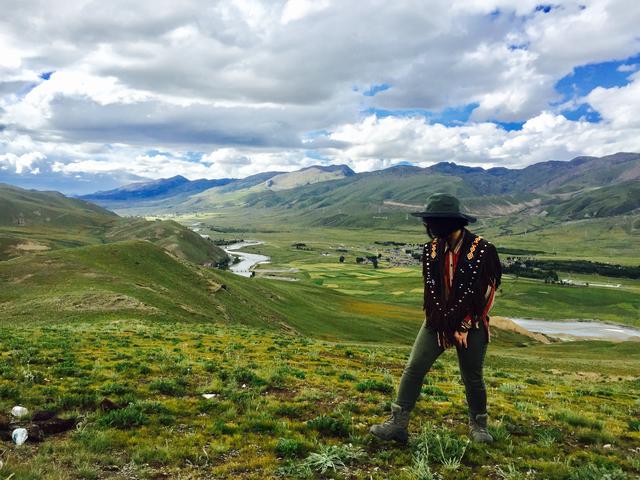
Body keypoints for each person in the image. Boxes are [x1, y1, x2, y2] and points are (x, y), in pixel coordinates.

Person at [369, 192, 502, 444]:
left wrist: (464, 325)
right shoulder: (430, 250)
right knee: (414, 367)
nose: (429, 226)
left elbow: (488, 292)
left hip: (471, 324)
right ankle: (397, 423)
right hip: (438, 320)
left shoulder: (483, 250)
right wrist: (440, 321)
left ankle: (479, 425)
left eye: (434, 221)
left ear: (451, 222)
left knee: (472, 376)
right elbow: (431, 290)